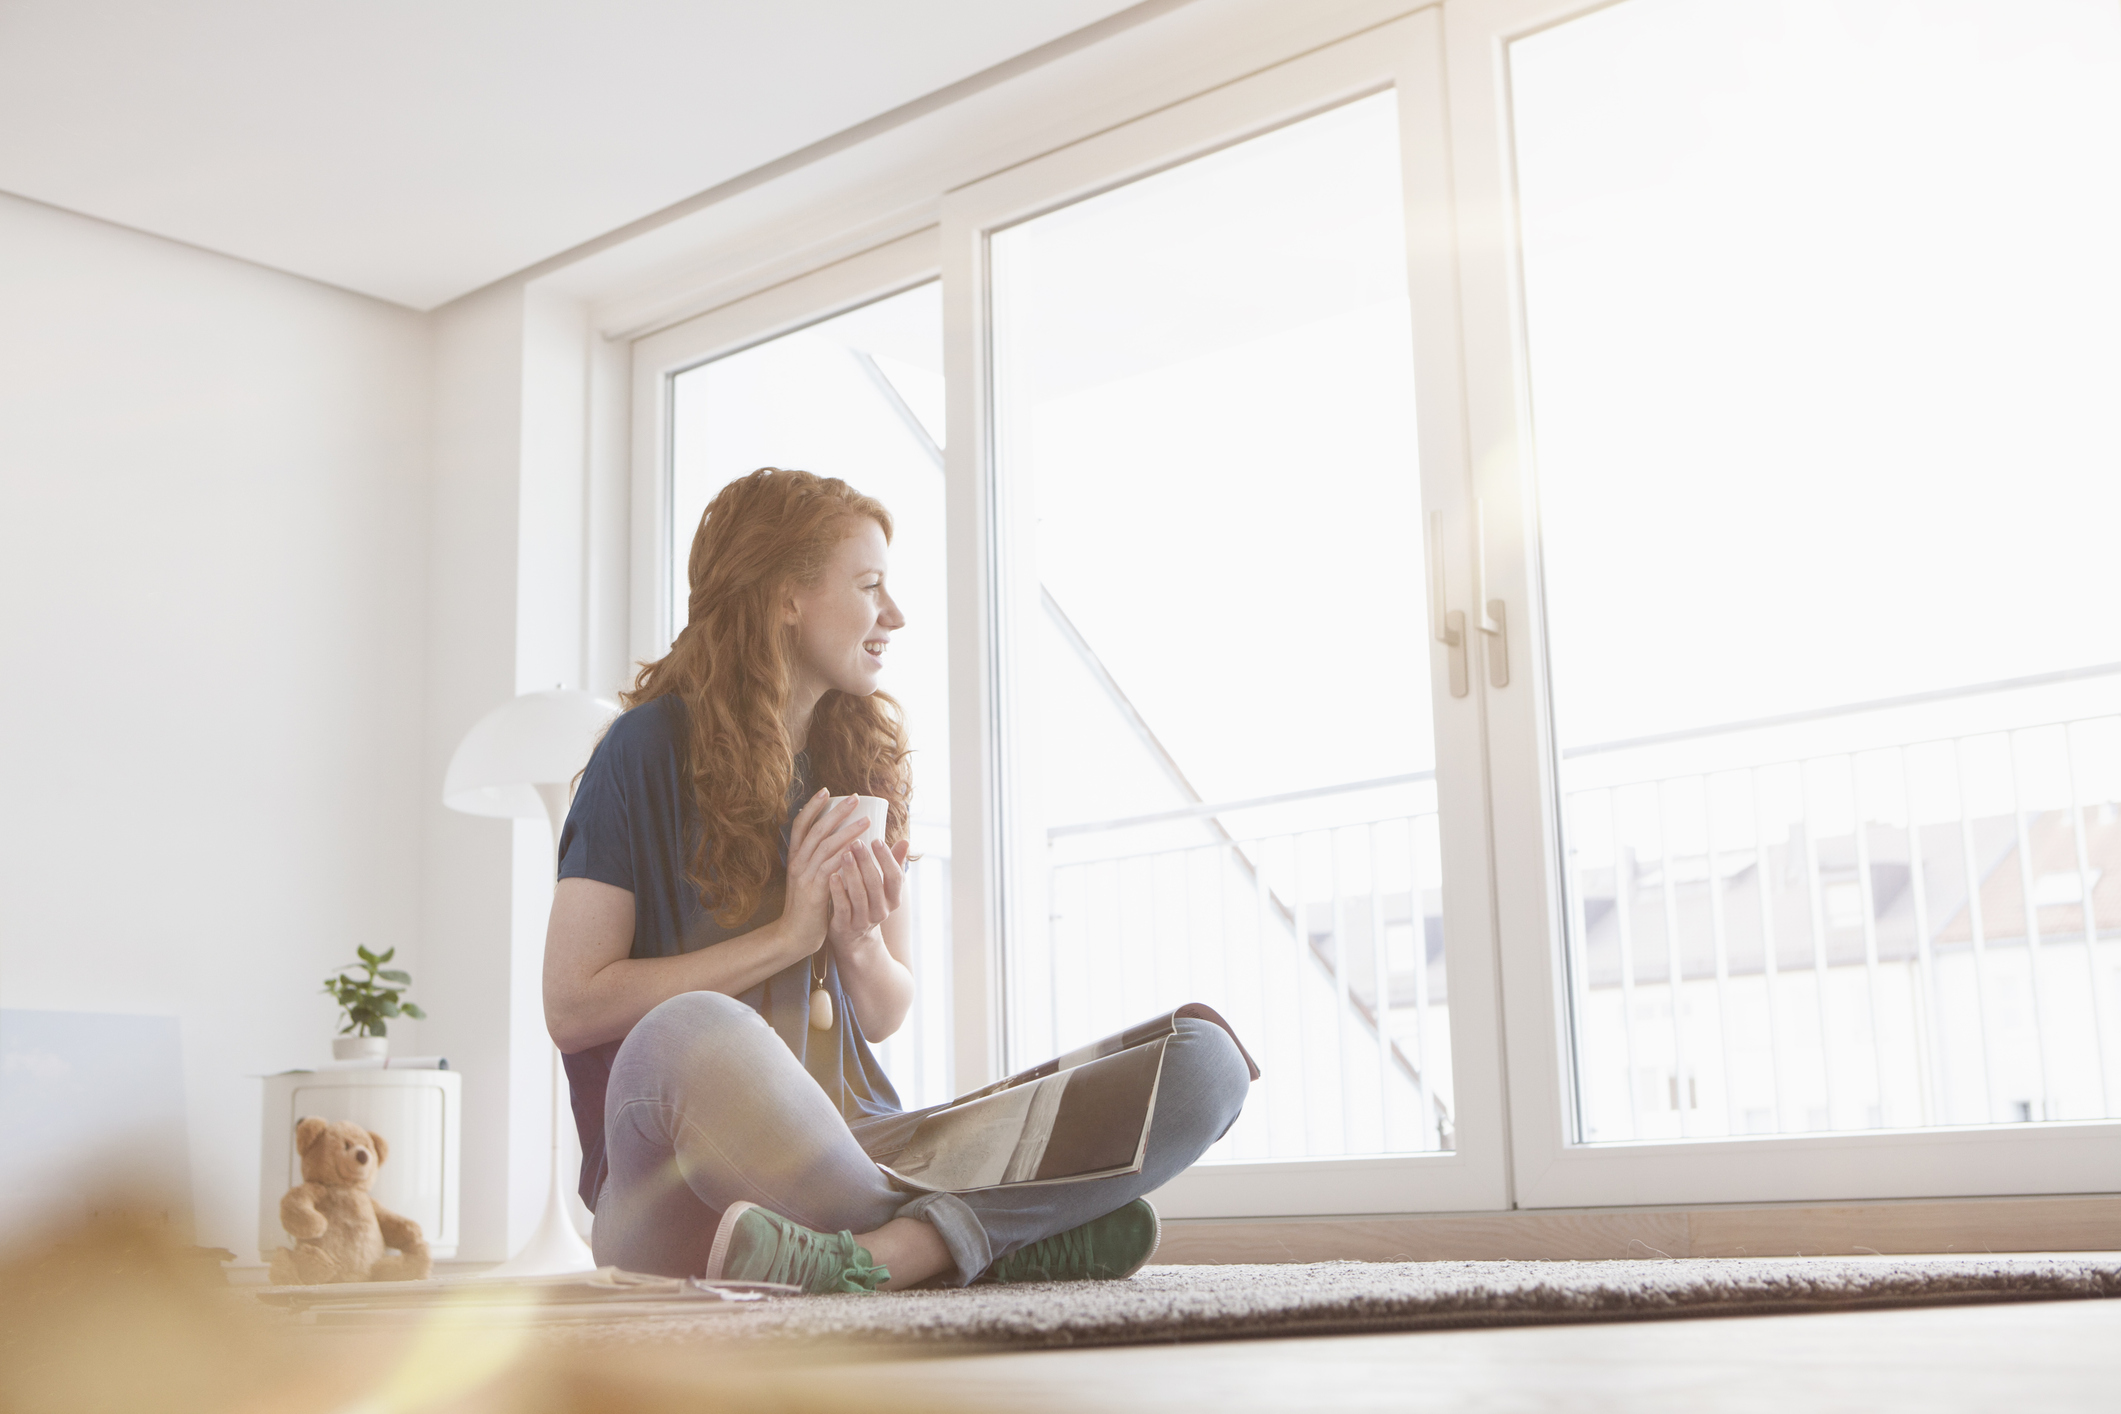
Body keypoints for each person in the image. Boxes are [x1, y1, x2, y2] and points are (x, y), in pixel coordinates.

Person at [543, 466, 1251, 1292]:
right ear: (784, 597)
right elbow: (572, 1005)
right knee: (689, 1028)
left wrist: (856, 941)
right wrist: (787, 937)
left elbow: (882, 1014)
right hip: (679, 1187)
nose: (895, 616)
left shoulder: (858, 763)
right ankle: (992, 1235)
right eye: (870, 586)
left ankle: (891, 1255)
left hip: (867, 1145)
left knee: (1207, 1060)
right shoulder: (641, 751)